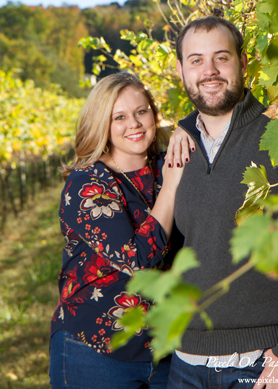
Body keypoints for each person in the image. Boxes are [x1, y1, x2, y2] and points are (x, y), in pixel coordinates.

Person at [167, 16, 278, 389]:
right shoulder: (177, 153)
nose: (209, 71)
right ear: (181, 71)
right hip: (184, 365)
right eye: (196, 60)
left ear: (243, 63)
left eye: (221, 58)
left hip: (263, 364)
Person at [49, 72, 186, 389]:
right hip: (95, 352)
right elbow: (137, 259)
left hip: (166, 350)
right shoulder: (87, 183)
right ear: (102, 124)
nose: (135, 124)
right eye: (119, 117)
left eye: (141, 111)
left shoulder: (168, 165)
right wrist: (173, 183)